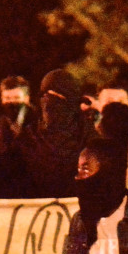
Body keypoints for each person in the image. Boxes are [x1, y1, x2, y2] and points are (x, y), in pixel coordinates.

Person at [14, 68, 88, 198]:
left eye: (57, 97)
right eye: (45, 95)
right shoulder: (28, 138)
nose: (49, 103)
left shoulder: (89, 138)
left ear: (71, 101)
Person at [0, 75, 37, 198]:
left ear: (27, 99)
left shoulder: (39, 123)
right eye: (7, 98)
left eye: (16, 98)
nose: (11, 103)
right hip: (5, 192)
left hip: (34, 191)